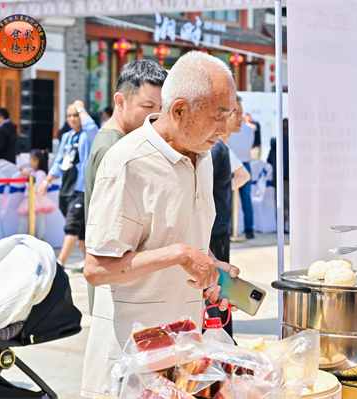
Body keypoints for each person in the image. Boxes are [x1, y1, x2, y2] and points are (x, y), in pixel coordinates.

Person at [81, 51, 240, 397]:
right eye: (218, 117)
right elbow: (96, 269)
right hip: (131, 361)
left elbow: (181, 233)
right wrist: (180, 254)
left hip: (185, 351)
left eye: (229, 116)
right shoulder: (127, 163)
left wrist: (211, 266)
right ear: (179, 110)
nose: (225, 129)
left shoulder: (204, 155)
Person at [84, 60, 167, 315]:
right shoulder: (115, 148)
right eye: (147, 106)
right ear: (120, 102)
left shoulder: (121, 140)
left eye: (162, 107)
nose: (157, 115)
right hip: (116, 286)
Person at [209, 95, 251, 337]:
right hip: (214, 229)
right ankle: (220, 338)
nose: (240, 119)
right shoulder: (217, 149)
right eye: (236, 113)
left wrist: (223, 190)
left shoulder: (221, 148)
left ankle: (223, 337)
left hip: (219, 227)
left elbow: (243, 175)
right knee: (217, 289)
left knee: (221, 288)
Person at [38, 100, 98, 267]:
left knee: (72, 226)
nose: (72, 118)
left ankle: (59, 263)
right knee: (81, 230)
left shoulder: (87, 135)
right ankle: (91, 263)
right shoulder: (66, 137)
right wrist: (46, 182)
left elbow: (93, 129)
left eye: (75, 115)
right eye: (69, 116)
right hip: (66, 189)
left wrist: (80, 107)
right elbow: (58, 162)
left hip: (80, 190)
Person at [17, 149, 57, 239]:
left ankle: (37, 239)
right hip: (32, 199)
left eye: (30, 160)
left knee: (37, 221)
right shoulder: (34, 172)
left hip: (35, 198)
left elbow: (34, 187)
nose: (29, 162)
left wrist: (27, 178)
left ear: (36, 161)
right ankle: (23, 238)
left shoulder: (39, 173)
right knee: (31, 221)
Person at [228, 117, 255, 238]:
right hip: (243, 163)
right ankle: (249, 229)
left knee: (227, 198)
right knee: (246, 199)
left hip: (232, 163)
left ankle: (229, 228)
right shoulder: (250, 130)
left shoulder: (232, 130)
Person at [267, 118, 290, 232]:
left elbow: (269, 160)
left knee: (280, 204)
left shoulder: (275, 142)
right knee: (290, 204)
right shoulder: (293, 142)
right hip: (291, 178)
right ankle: (290, 227)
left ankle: (281, 228)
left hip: (278, 177)